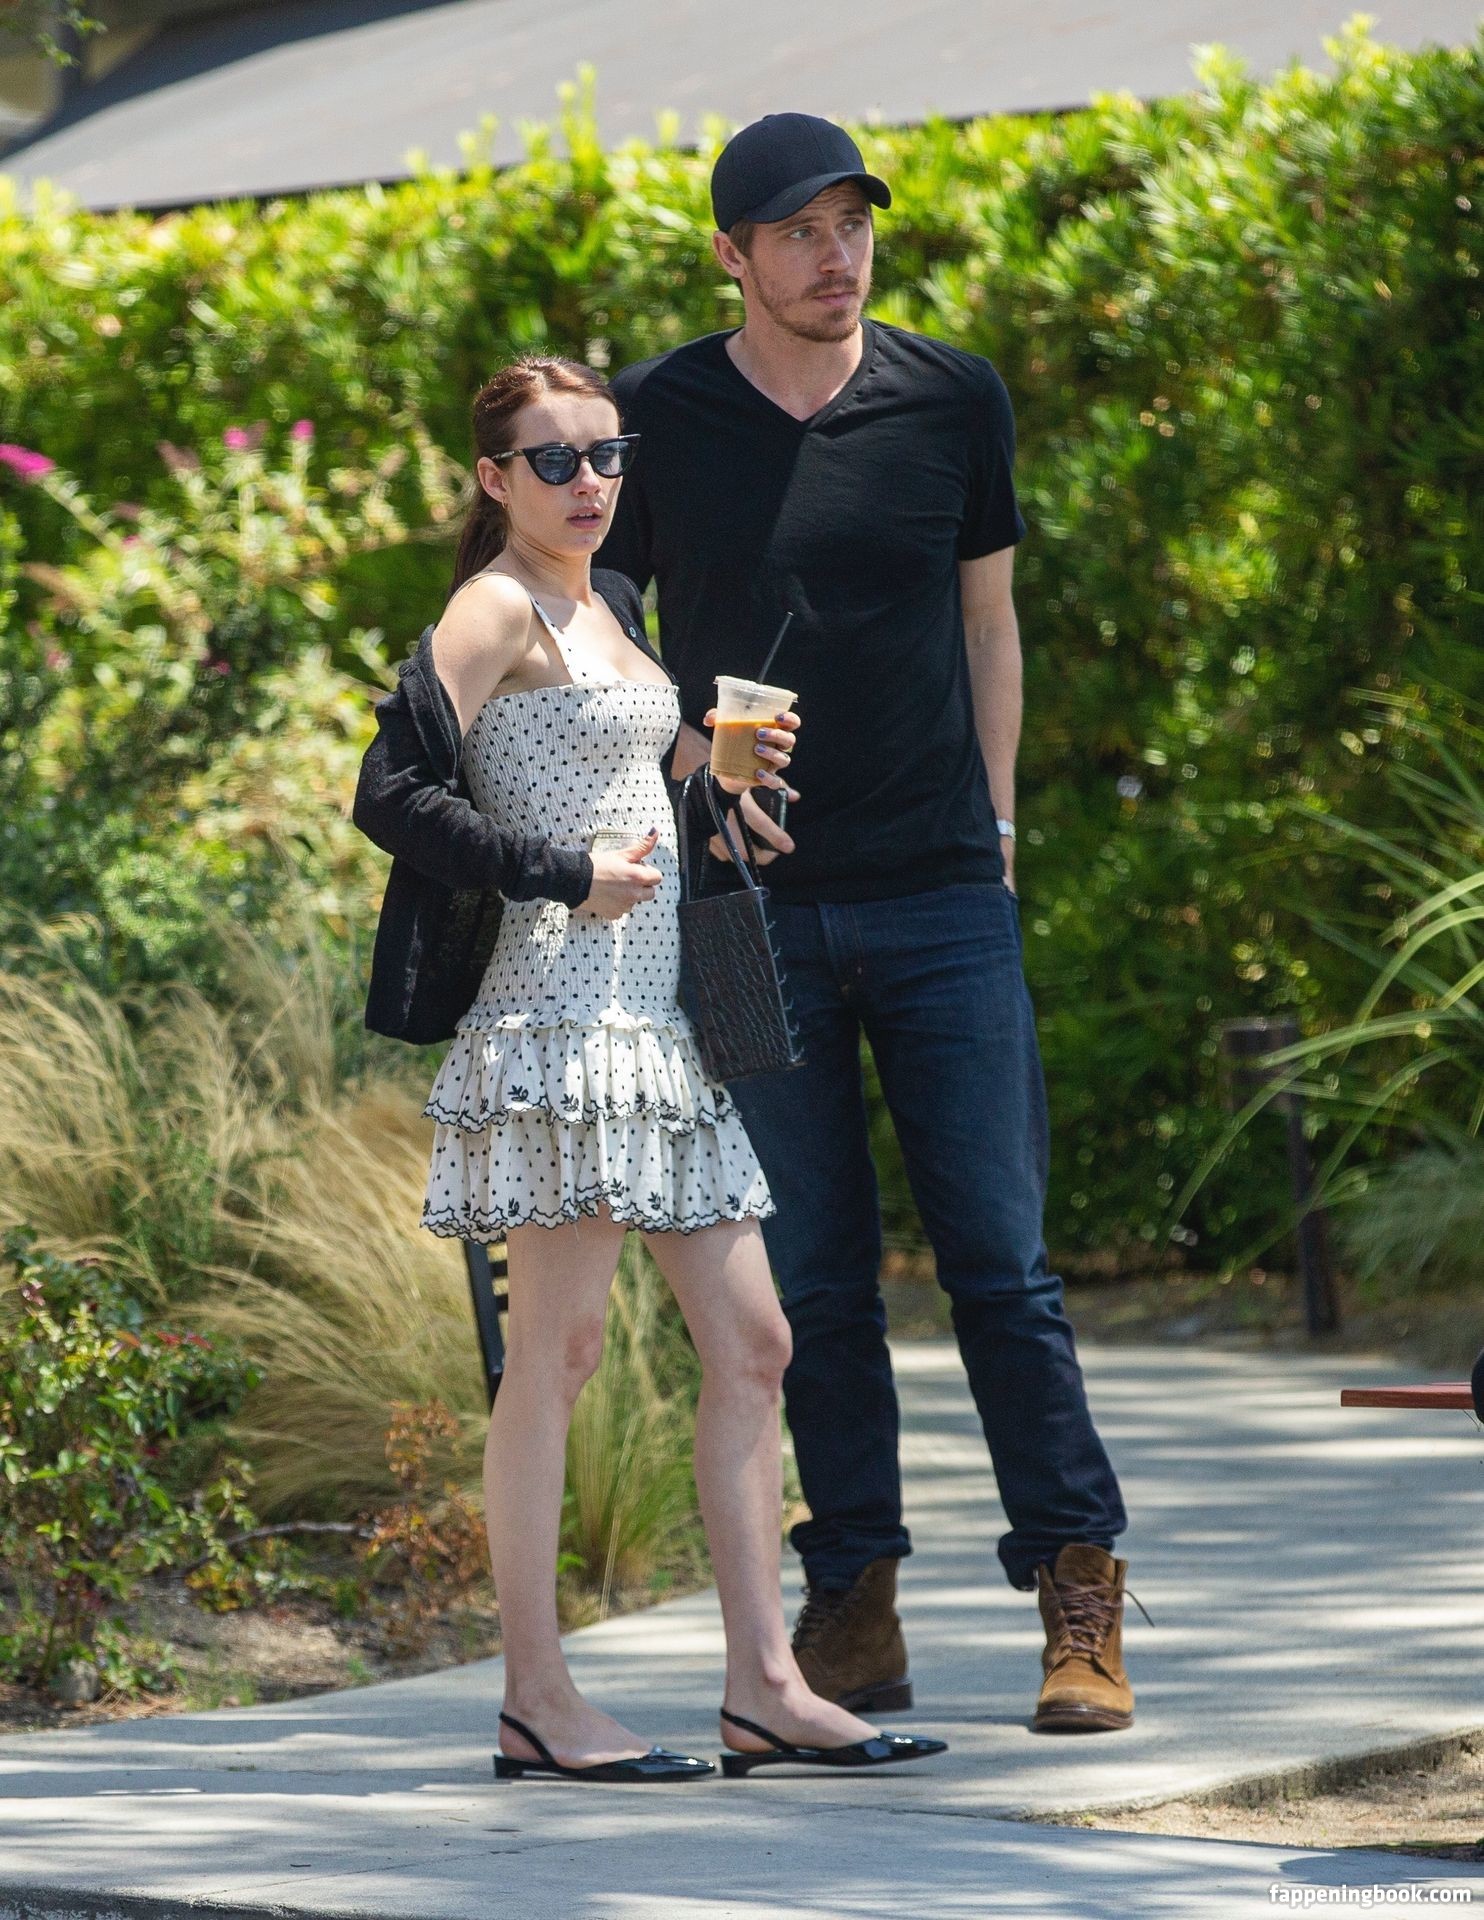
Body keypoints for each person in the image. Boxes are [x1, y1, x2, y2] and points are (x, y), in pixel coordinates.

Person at [597, 114, 1135, 1734]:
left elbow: (990, 619)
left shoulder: (950, 396)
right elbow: (600, 627)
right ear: (733, 256)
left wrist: (1001, 832)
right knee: (811, 1282)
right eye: (800, 233)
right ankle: (855, 1603)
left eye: (852, 225)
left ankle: (1078, 1594)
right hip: (739, 916)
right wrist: (686, 754)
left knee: (1003, 1266)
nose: (836, 259)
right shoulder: (654, 418)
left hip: (941, 894)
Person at [352, 353, 946, 1782]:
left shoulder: (609, 600)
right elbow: (389, 791)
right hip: (558, 1025)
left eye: (608, 455)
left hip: (662, 1033)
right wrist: (562, 870)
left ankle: (765, 1687)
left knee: (755, 1344)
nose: (589, 484)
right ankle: (536, 1699)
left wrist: (725, 788)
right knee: (557, 1358)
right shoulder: (494, 605)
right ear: (494, 477)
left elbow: (643, 774)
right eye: (555, 461)